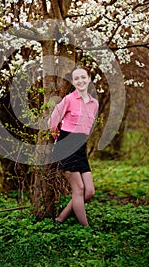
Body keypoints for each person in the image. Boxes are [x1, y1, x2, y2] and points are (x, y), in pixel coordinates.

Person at [48, 65, 99, 227]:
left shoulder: (94, 103)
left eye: (83, 77)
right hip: (66, 146)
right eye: (76, 78)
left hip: (81, 147)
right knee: (78, 190)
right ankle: (86, 228)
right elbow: (52, 122)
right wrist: (60, 140)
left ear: (89, 79)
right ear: (73, 81)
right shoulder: (69, 99)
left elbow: (88, 126)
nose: (80, 80)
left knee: (89, 191)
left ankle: (61, 218)